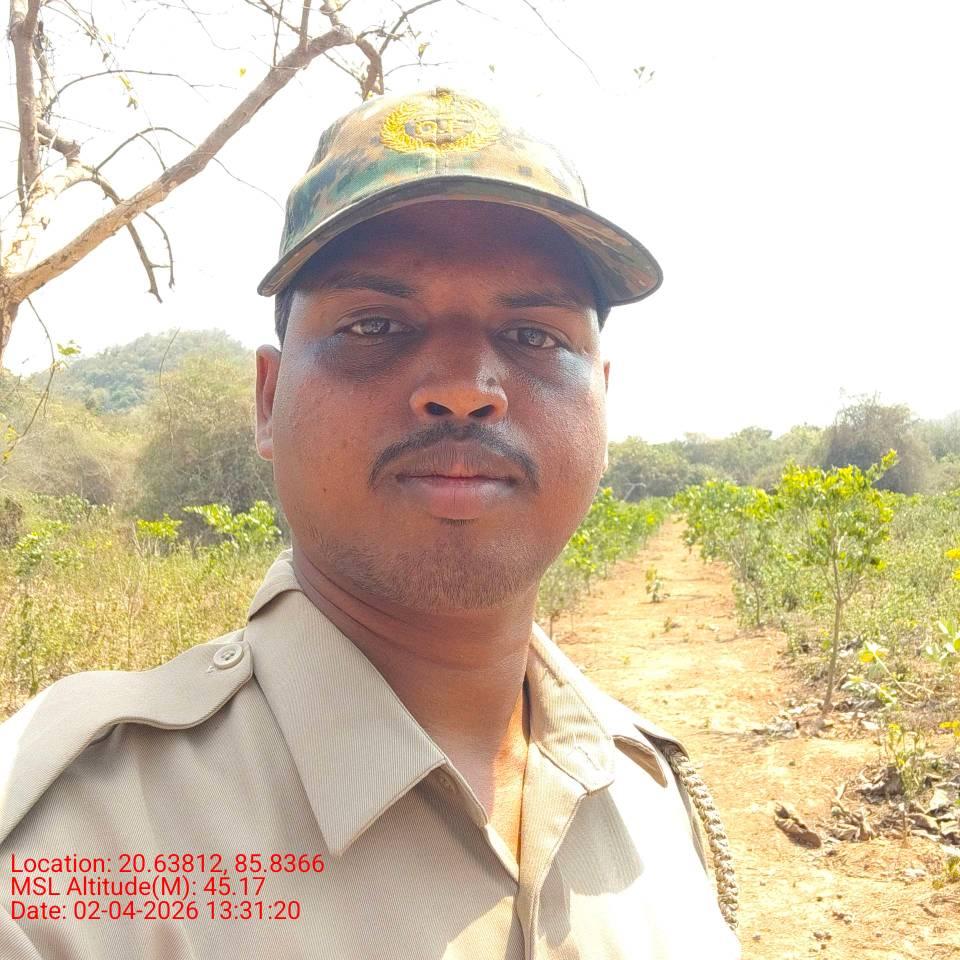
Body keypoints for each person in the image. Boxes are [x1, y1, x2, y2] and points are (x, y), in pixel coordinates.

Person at [0, 88, 741, 958]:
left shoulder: (656, 803)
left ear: (603, 407)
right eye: (375, 324)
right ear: (269, 399)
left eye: (535, 336)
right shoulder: (68, 854)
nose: (463, 387)